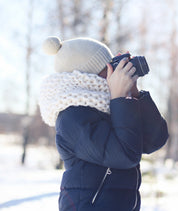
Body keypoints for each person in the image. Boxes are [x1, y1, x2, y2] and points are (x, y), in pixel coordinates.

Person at [39, 36, 169, 211]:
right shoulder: (73, 117)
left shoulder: (110, 105)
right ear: (90, 74)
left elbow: (155, 140)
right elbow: (126, 156)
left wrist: (134, 93)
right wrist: (120, 98)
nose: (114, 73)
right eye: (108, 67)